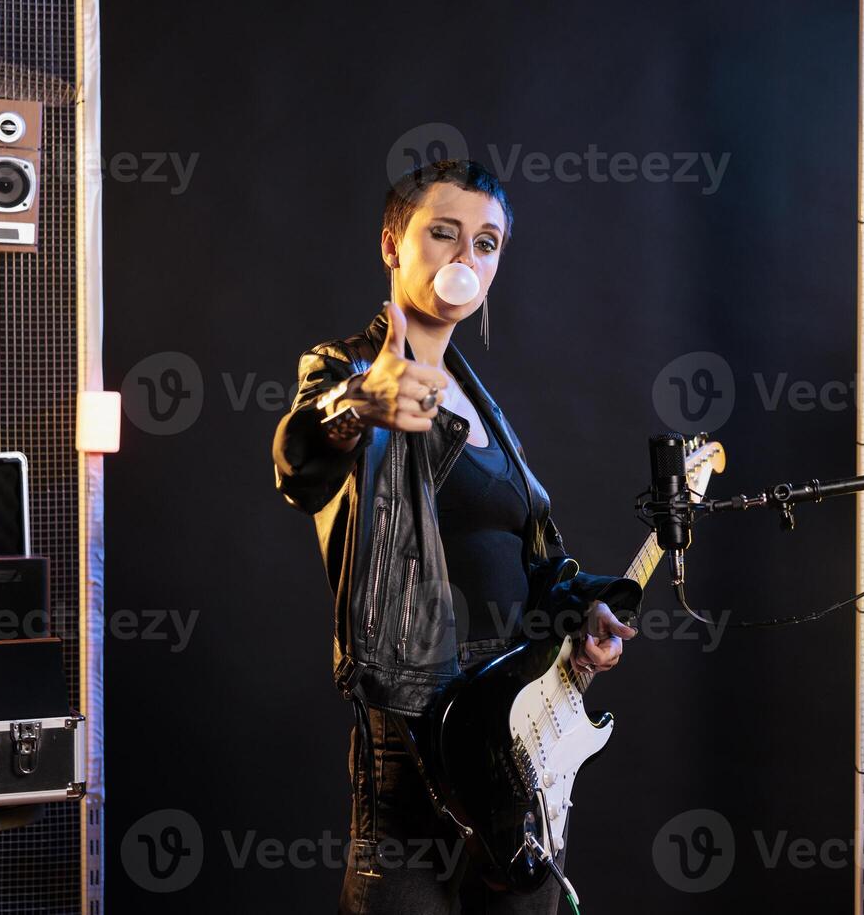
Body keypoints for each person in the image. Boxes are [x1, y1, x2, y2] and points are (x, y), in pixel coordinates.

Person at [272, 160, 640, 914]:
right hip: (413, 739)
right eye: (442, 234)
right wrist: (358, 405)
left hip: (515, 740)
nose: (464, 259)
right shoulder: (347, 371)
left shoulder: (485, 406)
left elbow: (533, 562)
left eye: (486, 243)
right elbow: (299, 461)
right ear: (391, 244)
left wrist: (586, 613)